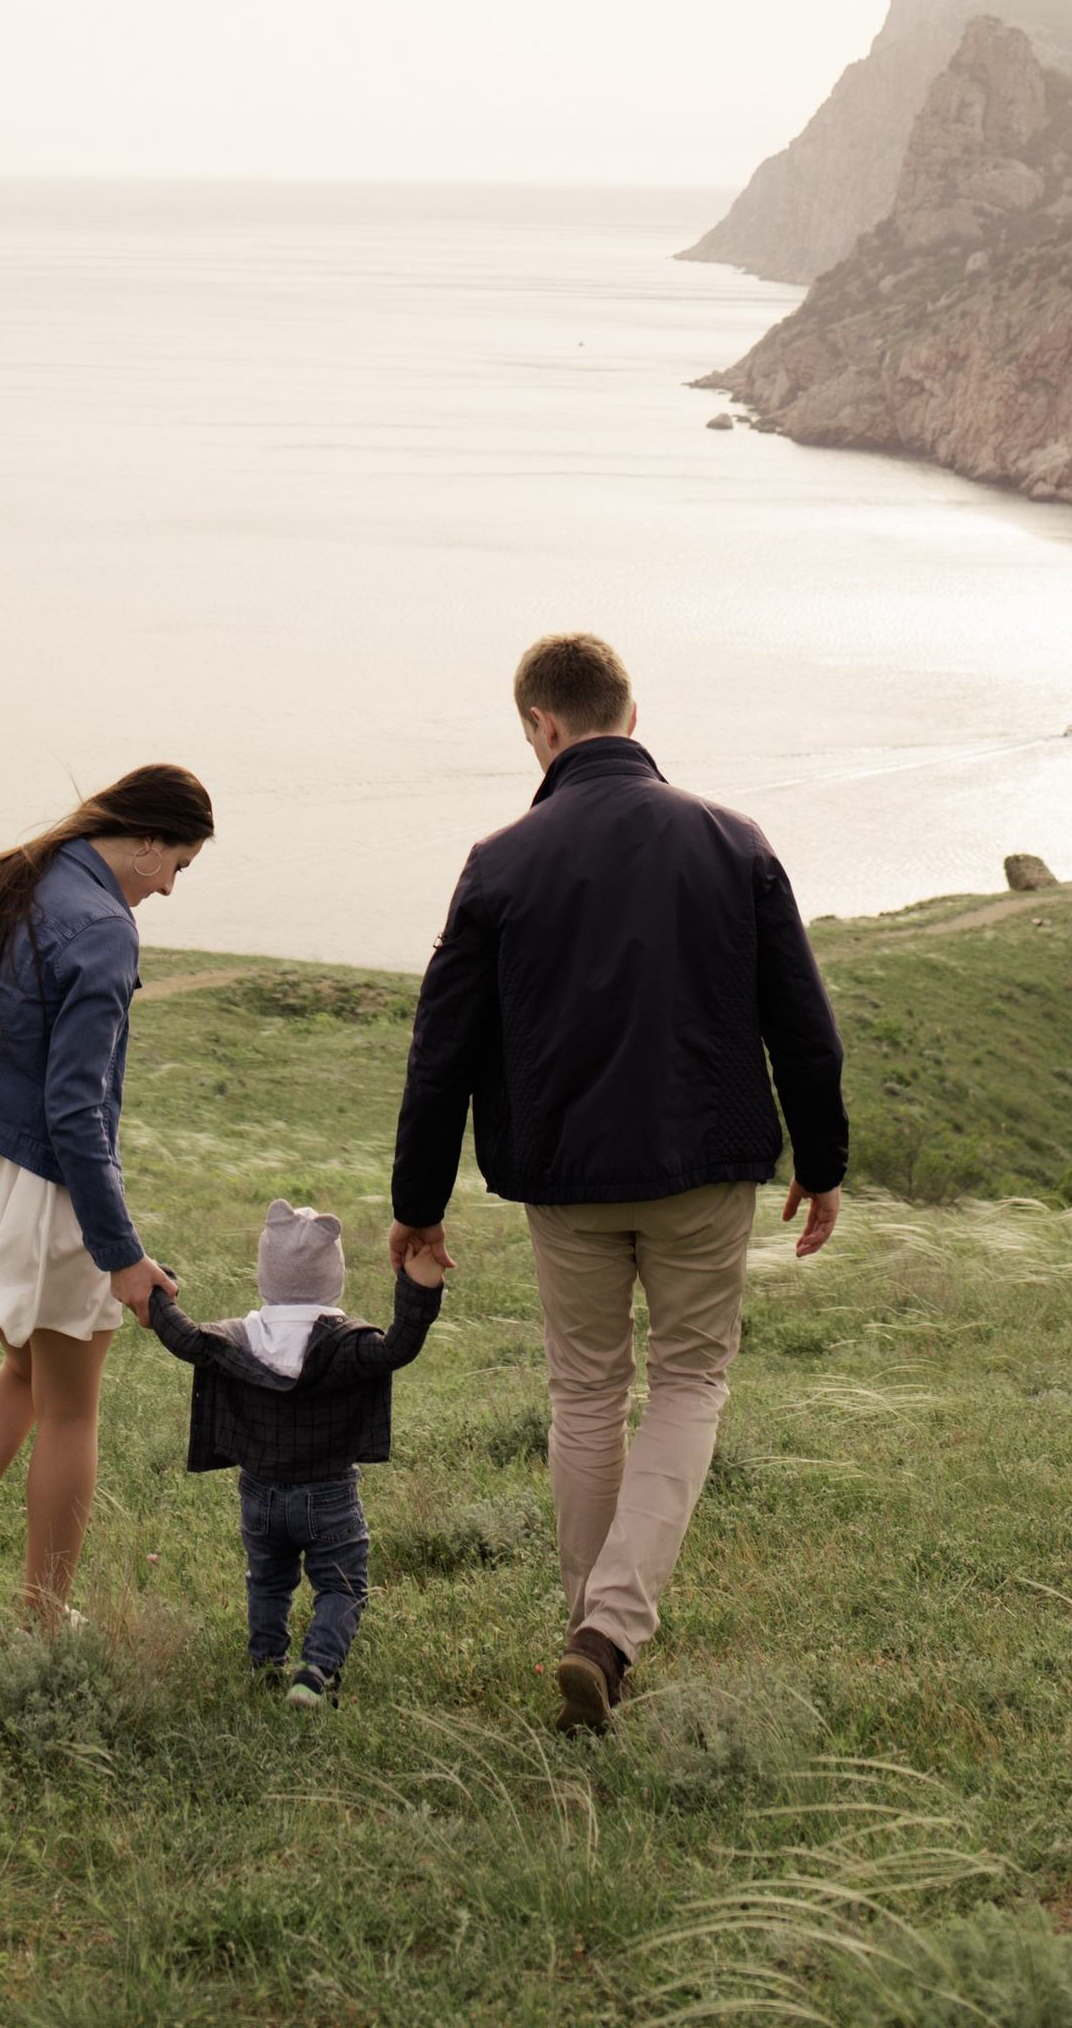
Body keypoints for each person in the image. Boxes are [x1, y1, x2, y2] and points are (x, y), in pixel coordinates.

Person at [389, 633, 845, 1734]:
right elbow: (802, 1024)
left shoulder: (498, 862)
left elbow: (440, 1049)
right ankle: (609, 1633)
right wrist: (822, 1162)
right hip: (705, 1170)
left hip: (566, 1178)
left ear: (540, 727)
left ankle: (589, 1630)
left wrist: (418, 1203)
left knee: (587, 1393)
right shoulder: (734, 840)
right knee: (688, 1382)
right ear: (630, 718)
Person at [0, 762, 214, 1652]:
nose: (168, 889)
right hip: (42, 1177)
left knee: (25, 1376)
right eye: (176, 866)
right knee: (70, 1403)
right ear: (147, 841)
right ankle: (42, 1620)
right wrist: (121, 1255)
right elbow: (75, 1111)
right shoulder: (103, 928)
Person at [144, 1195, 445, 1704]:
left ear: (266, 1276)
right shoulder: (347, 1343)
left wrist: (159, 1292)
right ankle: (315, 1672)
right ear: (335, 1278)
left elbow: (186, 1339)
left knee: (267, 1581)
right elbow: (399, 1347)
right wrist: (419, 1285)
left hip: (259, 1495)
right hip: (329, 1495)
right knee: (342, 1586)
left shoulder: (238, 1339)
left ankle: (266, 1665)